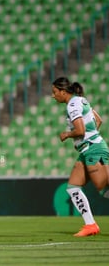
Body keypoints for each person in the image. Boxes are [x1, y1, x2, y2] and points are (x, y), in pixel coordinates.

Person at [52, 76, 109, 237]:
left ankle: (91, 225)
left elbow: (80, 130)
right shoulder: (81, 100)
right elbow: (98, 120)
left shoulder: (72, 105)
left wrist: (67, 134)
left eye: (55, 92)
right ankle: (90, 225)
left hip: (93, 150)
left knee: (104, 189)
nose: (53, 95)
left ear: (63, 92)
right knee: (73, 188)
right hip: (89, 149)